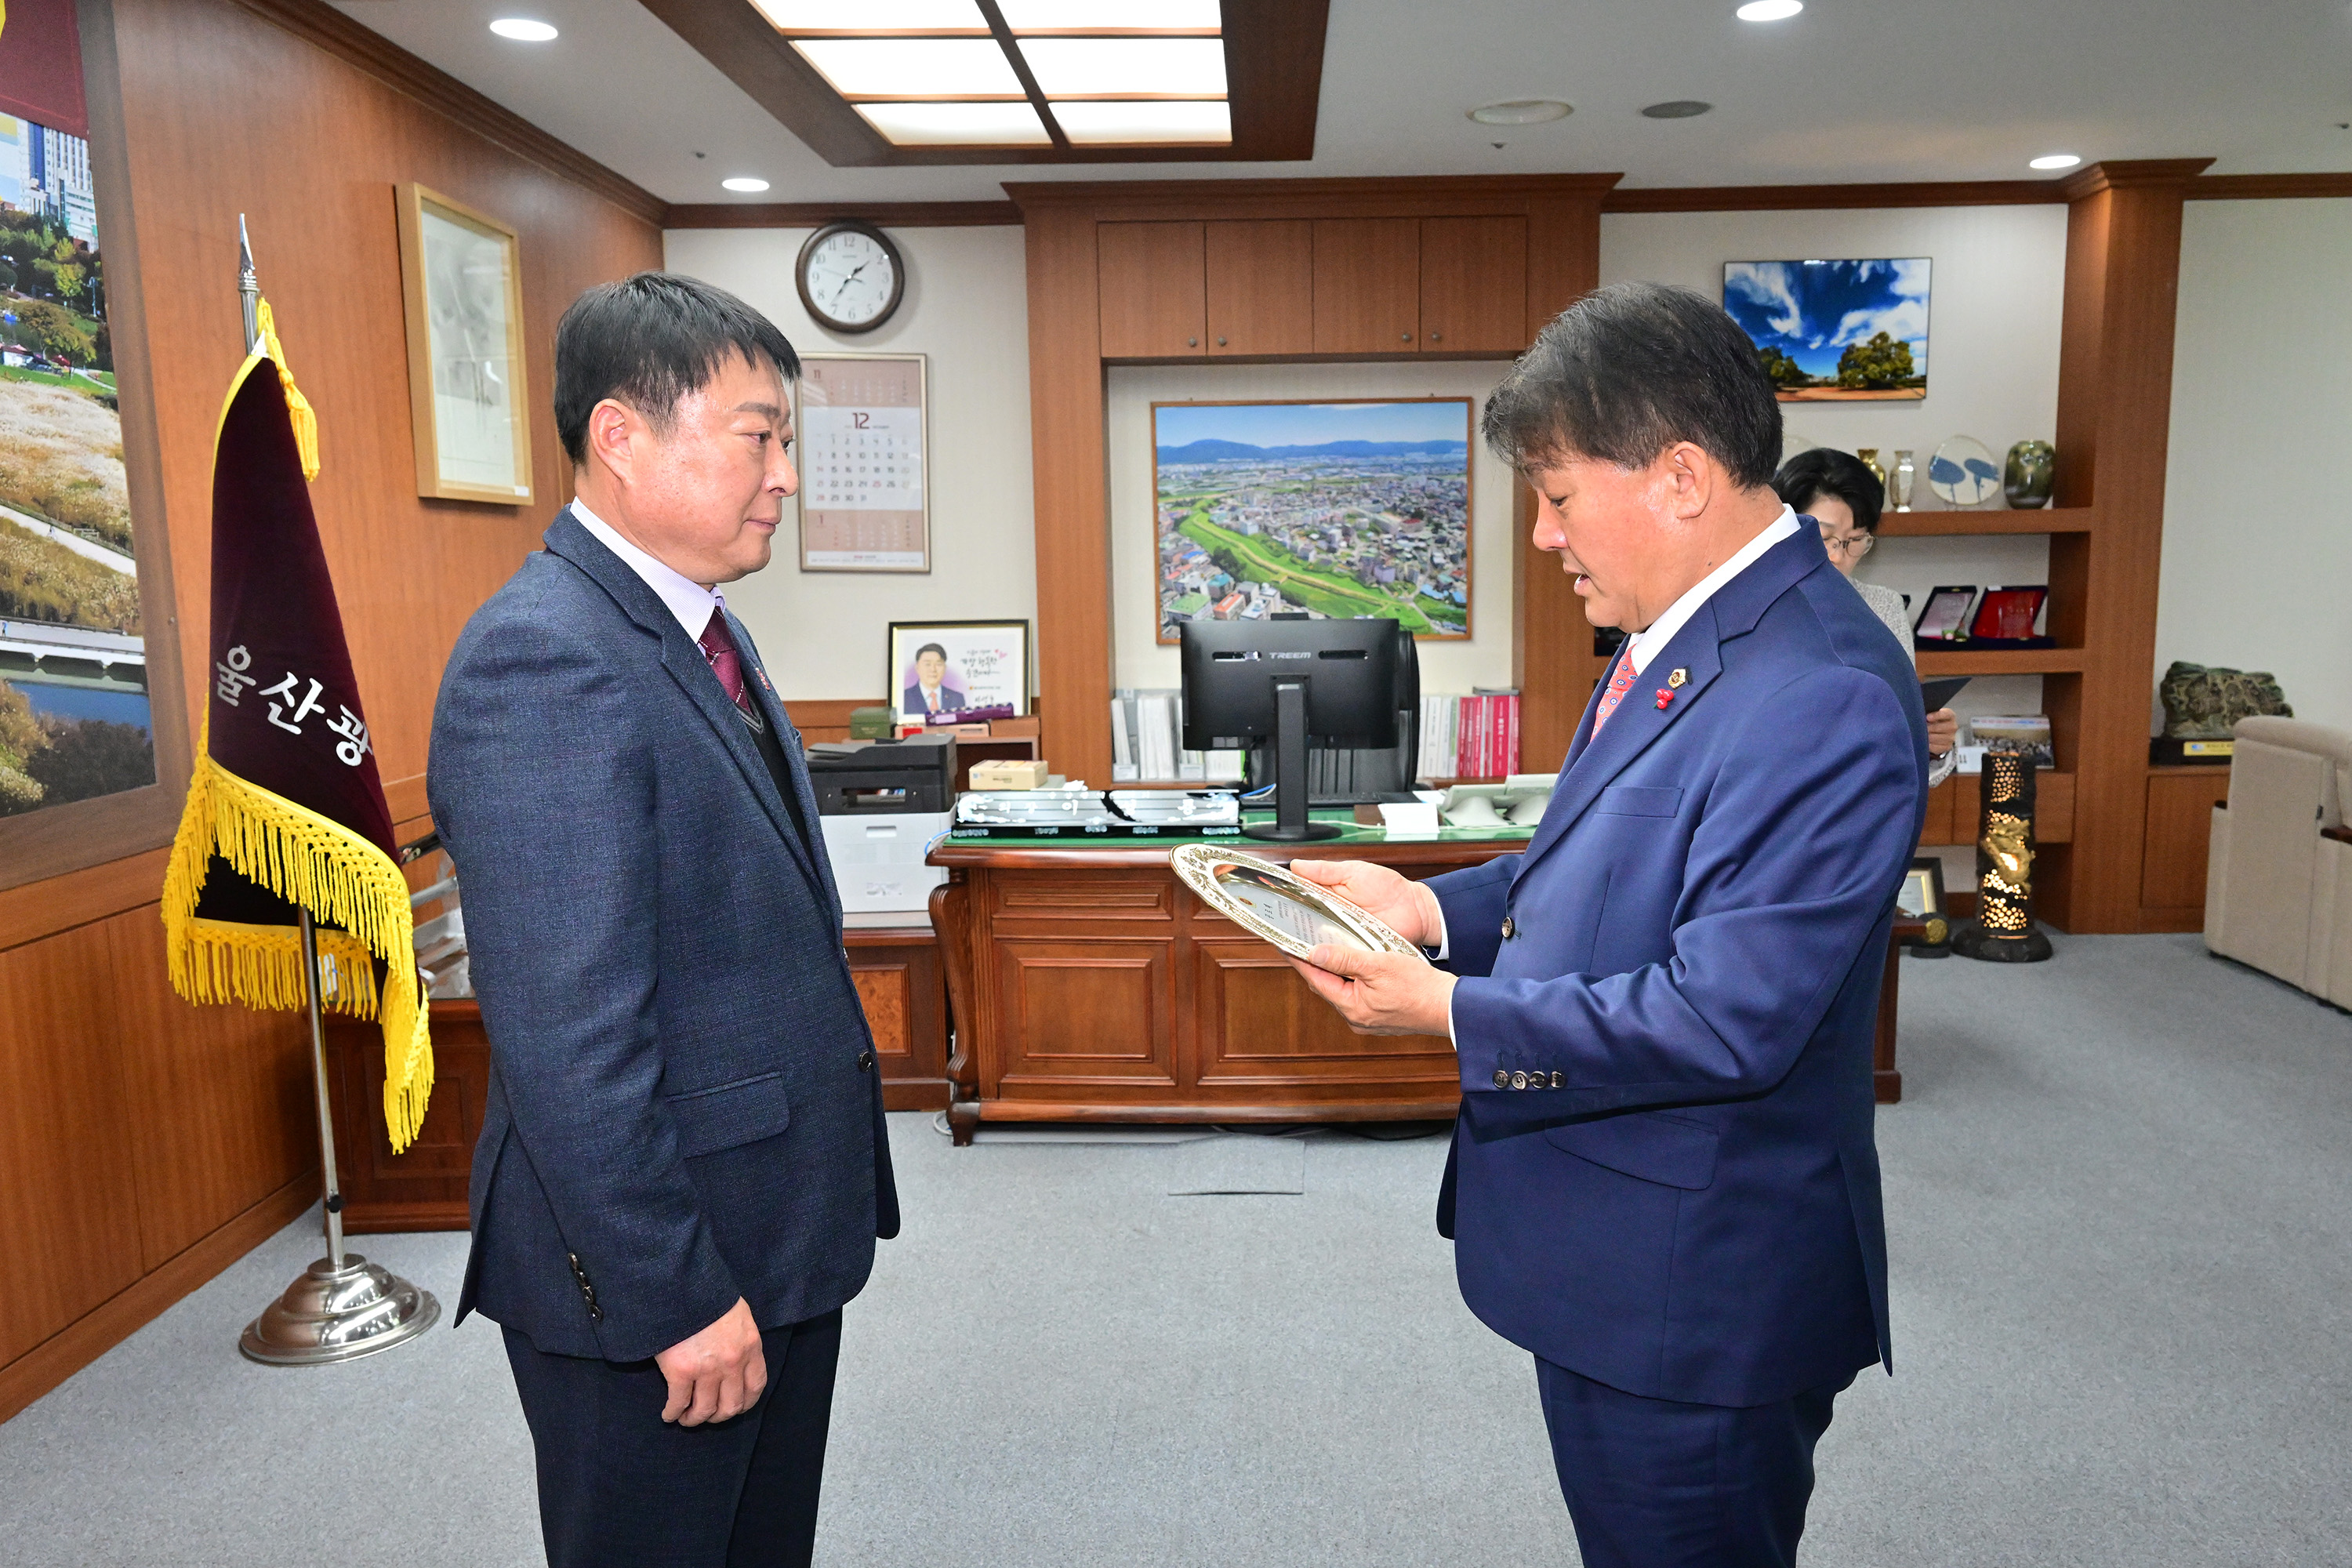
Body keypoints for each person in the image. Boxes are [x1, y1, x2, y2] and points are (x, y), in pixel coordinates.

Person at [1287, 281, 1926, 1566]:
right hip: (1624, 1266)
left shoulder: (1823, 691)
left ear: (1680, 477)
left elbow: (1724, 1017)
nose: (1540, 535)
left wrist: (1449, 1012)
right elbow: (1590, 866)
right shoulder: (1680, 640)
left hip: (1697, 1295)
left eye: (1560, 494)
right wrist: (1424, 905)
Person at [428, 272, 898, 1568]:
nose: (786, 475)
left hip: (769, 1232)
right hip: (660, 1279)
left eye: (786, 441)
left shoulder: (695, 630)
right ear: (622, 438)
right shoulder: (548, 660)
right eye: (761, 435)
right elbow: (568, 1040)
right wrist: (674, 1297)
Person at [1773, 447, 1960, 779]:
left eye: (1854, 540)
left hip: (1864, 804)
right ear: (1786, 527)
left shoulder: (1883, 607)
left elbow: (1907, 751)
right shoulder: (1755, 603)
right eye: (1824, 537)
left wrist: (1933, 746)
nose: (1837, 555)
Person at [902, 642, 966, 716]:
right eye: (927, 664)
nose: (933, 669)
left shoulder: (956, 698)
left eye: (938, 664)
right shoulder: (905, 697)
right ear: (917, 668)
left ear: (945, 668)